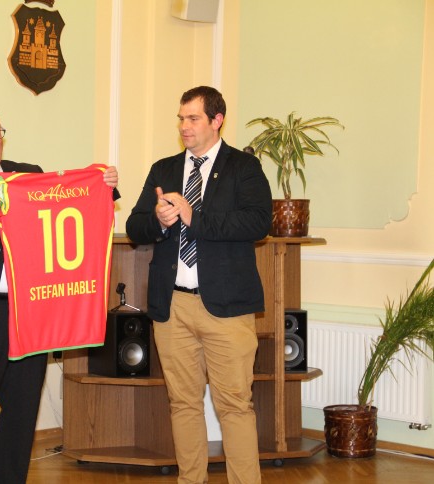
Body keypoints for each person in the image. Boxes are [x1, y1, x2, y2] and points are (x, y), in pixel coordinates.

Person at [0, 100, 118, 484]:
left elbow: (70, 200)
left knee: (21, 416)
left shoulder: (28, 174)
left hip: (29, 315)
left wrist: (104, 186)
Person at [125, 86, 272, 484]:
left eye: (193, 118)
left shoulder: (243, 167)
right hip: (172, 307)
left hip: (227, 307)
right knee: (182, 403)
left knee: (234, 405)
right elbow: (135, 226)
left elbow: (259, 222)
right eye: (181, 118)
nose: (184, 126)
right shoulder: (164, 169)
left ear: (216, 120)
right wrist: (158, 220)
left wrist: (195, 217)